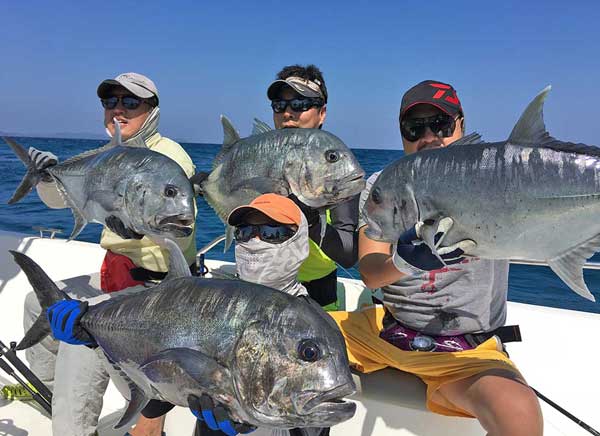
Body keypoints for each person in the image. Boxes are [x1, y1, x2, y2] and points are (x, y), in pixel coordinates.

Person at [328, 80, 543, 436]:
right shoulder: (385, 185)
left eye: (440, 125)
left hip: (466, 352)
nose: (428, 137)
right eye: (414, 128)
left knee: (518, 414)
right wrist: (403, 263)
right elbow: (369, 271)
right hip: (386, 332)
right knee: (278, 334)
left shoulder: (497, 177)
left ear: (461, 124)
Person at [23, 72, 198, 436]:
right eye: (110, 102)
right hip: (111, 274)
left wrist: (140, 230)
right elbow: (60, 199)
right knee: (31, 302)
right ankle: (46, 396)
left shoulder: (169, 158)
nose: (118, 110)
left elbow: (182, 230)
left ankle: (73, 427)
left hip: (153, 288)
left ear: (152, 110)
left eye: (130, 102)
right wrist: (44, 177)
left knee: (77, 343)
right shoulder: (107, 156)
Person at [266, 64, 360, 310]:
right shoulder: (258, 156)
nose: (288, 113)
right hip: (261, 293)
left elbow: (348, 254)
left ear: (322, 113)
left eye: (299, 104)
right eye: (280, 105)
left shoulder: (336, 168)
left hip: (316, 300)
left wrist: (310, 218)